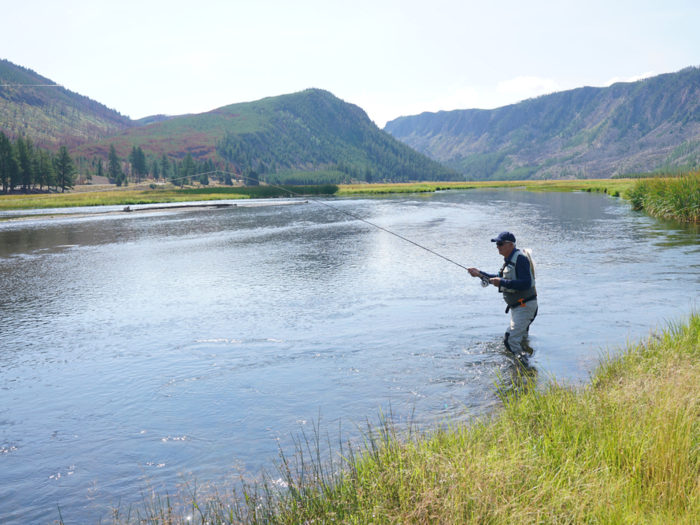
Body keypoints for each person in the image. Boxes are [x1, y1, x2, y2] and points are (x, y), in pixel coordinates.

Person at [467, 232, 538, 363]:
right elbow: (498, 278)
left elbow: (526, 283)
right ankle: (524, 369)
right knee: (520, 340)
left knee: (510, 340)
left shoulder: (520, 258)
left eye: (500, 243)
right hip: (519, 307)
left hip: (525, 306)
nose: (497, 246)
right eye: (496, 244)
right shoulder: (509, 260)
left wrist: (502, 283)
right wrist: (479, 274)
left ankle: (521, 367)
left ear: (510, 244)